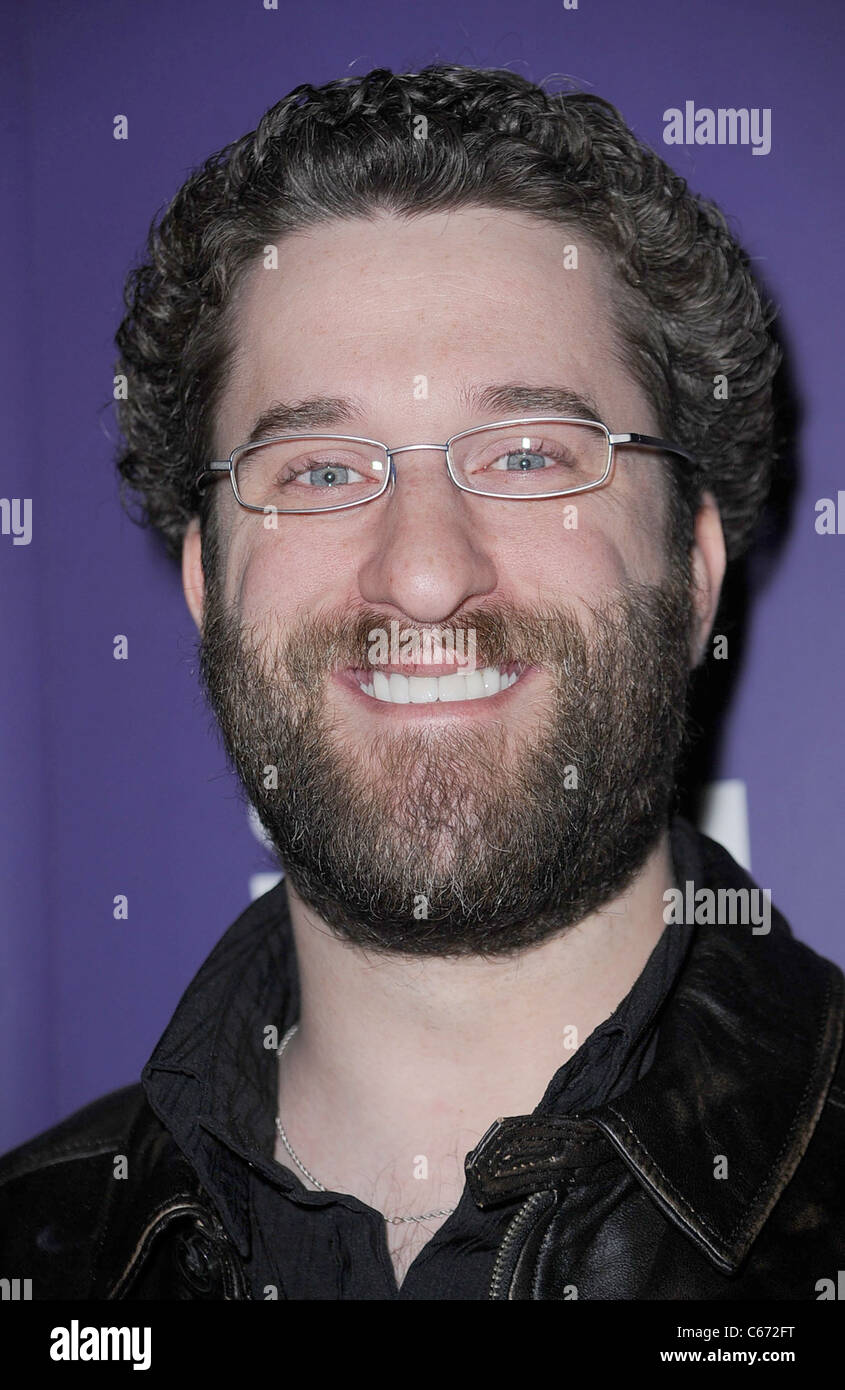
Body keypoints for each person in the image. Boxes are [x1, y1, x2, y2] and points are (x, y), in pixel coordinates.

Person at [1, 63, 842, 1302]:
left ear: (693, 569)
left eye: (525, 452)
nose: (427, 575)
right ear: (205, 581)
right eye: (321, 471)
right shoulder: (36, 1248)